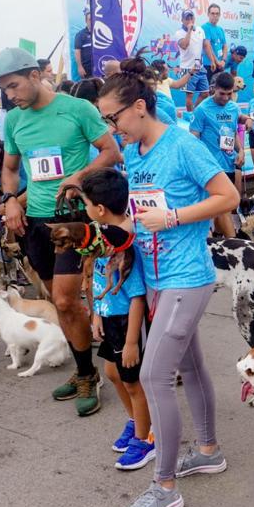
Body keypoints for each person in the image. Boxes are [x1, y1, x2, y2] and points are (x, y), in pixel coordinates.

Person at [97, 66, 239, 507]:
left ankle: (164, 488)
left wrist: (175, 217)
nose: (110, 128)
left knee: (154, 376)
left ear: (140, 106)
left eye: (113, 117)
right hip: (155, 279)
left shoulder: (182, 145)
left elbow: (229, 196)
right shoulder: (134, 154)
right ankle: (208, 452)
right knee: (190, 366)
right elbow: (141, 213)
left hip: (187, 276)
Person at [0, 47, 123, 417]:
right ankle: (86, 371)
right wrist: (11, 200)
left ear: (36, 76)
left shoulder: (77, 109)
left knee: (67, 300)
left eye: (14, 85)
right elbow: (10, 168)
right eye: (4, 89)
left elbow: (110, 152)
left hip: (72, 218)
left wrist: (79, 177)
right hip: (35, 221)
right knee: (58, 301)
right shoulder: (15, 120)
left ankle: (99, 370)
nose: (10, 95)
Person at [81, 169, 154, 472]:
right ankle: (135, 420)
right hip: (108, 318)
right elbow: (98, 282)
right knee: (112, 373)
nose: (84, 209)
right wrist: (97, 312)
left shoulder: (126, 245)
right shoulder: (101, 240)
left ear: (99, 209)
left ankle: (147, 438)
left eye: (85, 203)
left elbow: (137, 297)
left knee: (133, 382)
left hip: (127, 323)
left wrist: (132, 341)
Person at [188, 71, 245, 229]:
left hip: (229, 164)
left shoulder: (233, 107)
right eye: (222, 93)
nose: (226, 98)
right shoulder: (202, 109)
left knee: (225, 209)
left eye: (229, 93)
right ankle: (230, 240)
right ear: (213, 88)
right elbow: (193, 139)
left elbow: (233, 133)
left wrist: (240, 151)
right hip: (210, 168)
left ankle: (220, 238)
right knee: (222, 207)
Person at [176, 9, 208, 111]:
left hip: (199, 66)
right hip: (187, 68)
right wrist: (189, 30)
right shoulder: (179, 33)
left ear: (194, 18)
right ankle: (190, 116)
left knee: (205, 93)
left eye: (191, 18)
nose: (190, 20)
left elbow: (206, 45)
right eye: (187, 18)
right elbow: (184, 45)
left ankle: (195, 112)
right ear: (182, 20)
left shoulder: (200, 30)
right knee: (190, 95)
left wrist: (213, 60)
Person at [74, 10, 93, 81]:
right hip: (87, 69)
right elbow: (77, 52)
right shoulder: (80, 35)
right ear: (86, 21)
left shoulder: (100, 33)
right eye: (90, 19)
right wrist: (79, 67)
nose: (92, 21)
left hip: (99, 67)